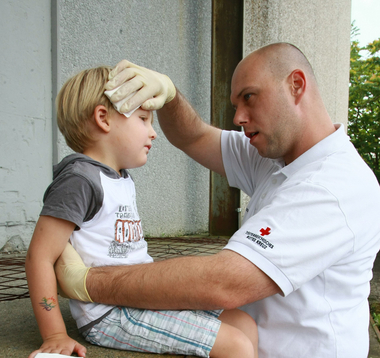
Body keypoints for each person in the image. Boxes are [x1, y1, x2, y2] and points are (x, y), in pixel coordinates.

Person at [55, 43, 380, 358]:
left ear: (295, 85)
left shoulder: (335, 186)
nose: (238, 116)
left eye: (249, 97)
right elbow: (194, 135)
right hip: (246, 340)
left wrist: (87, 282)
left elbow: (224, 283)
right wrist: (167, 95)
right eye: (236, 103)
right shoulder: (273, 156)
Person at [25, 65, 258, 358]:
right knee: (235, 346)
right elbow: (39, 257)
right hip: (110, 312)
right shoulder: (79, 180)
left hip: (141, 294)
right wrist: (55, 333)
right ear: (103, 119)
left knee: (243, 322)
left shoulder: (120, 176)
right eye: (144, 119)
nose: (153, 133)